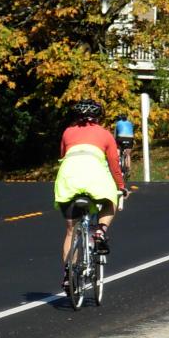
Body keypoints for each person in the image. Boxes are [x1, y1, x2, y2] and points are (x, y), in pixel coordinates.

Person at [54, 99, 127, 287]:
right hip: (95, 177)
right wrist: (120, 187)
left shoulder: (67, 132)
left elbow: (62, 156)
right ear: (98, 117)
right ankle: (100, 232)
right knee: (110, 200)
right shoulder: (104, 134)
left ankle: (67, 274)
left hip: (68, 178)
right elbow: (114, 166)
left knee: (71, 231)